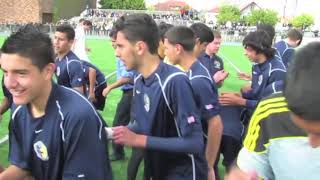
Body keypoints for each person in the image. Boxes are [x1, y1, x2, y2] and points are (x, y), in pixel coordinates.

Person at [0, 24, 112, 180]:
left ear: (47, 71)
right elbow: (22, 166)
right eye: (5, 72)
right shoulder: (19, 110)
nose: (9, 83)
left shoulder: (77, 116)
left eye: (20, 73)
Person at [110, 13, 207, 180]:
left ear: (140, 47)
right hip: (156, 169)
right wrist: (111, 132)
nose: (116, 54)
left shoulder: (175, 82)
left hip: (183, 174)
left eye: (120, 46)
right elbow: (143, 125)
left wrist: (139, 140)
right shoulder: (140, 80)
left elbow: (194, 142)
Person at [226, 42, 320, 180]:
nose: (312, 143)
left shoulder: (275, 70)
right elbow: (250, 164)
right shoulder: (270, 110)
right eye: (306, 130)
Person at [164, 26, 223, 180]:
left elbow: (216, 123)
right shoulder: (187, 73)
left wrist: (209, 165)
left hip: (198, 153)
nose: (165, 52)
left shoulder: (198, 79)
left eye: (166, 48)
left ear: (178, 48)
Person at [219, 30, 286, 117]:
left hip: (267, 118)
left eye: (249, 50)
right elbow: (256, 92)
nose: (245, 53)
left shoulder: (276, 72)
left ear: (260, 49)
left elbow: (272, 107)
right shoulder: (257, 64)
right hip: (255, 109)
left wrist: (240, 101)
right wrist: (239, 95)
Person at [103, 29, 136, 162]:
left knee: (119, 122)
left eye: (114, 42)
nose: (112, 45)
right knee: (131, 121)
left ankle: (118, 152)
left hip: (131, 92)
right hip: (130, 92)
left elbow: (127, 78)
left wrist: (109, 87)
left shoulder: (124, 55)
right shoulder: (120, 53)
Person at [54, 24, 86, 94]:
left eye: (61, 39)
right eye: (55, 38)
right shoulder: (57, 59)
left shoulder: (73, 63)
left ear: (71, 42)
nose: (56, 42)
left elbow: (78, 95)